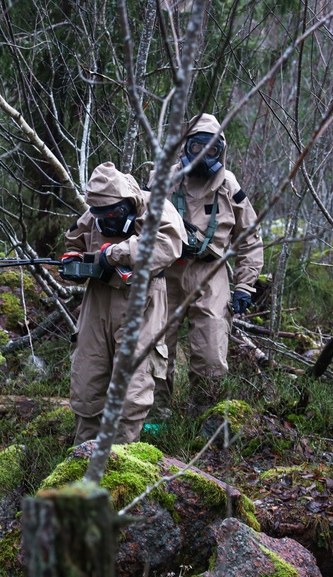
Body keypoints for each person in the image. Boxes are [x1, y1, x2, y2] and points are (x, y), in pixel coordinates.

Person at [61, 162, 186, 445]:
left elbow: (168, 244)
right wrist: (75, 261)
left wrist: (115, 253)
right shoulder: (96, 211)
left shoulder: (156, 206)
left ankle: (119, 465)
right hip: (98, 300)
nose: (108, 221)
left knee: (132, 388)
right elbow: (74, 240)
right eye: (101, 215)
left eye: (115, 214)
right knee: (87, 382)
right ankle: (83, 459)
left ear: (127, 202)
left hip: (143, 300)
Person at [155, 113, 264, 415]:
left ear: (221, 151)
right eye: (197, 147)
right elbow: (138, 222)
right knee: (157, 344)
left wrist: (245, 285)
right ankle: (155, 416)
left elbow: (250, 237)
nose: (204, 155)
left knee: (212, 348)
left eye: (212, 149)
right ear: (186, 148)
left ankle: (205, 416)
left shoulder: (227, 185)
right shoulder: (165, 179)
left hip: (210, 272)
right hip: (167, 271)